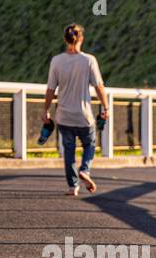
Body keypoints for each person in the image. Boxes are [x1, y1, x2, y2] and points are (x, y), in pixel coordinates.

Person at [43, 24, 109, 197]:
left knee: (69, 151)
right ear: (81, 39)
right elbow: (99, 86)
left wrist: (45, 110)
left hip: (63, 116)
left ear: (65, 39)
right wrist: (105, 107)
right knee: (90, 144)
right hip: (83, 116)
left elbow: (50, 89)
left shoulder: (56, 61)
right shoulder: (88, 60)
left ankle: (73, 187)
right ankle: (85, 169)